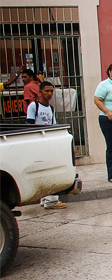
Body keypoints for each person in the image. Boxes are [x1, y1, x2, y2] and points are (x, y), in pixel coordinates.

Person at [26, 81, 66, 209]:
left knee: (47, 170)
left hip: (48, 143)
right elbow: (30, 125)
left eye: (51, 91)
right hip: (38, 143)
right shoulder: (34, 106)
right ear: (40, 91)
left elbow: (53, 125)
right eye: (46, 91)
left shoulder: (50, 108)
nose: (49, 94)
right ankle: (51, 200)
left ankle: (46, 199)